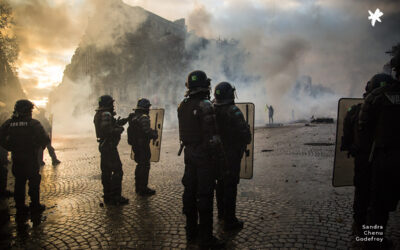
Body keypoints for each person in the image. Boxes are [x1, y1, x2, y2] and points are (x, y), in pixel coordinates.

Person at [341, 73, 394, 237]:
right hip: (386, 161)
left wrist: (353, 147)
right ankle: (373, 235)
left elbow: (347, 139)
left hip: (365, 161)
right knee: (379, 203)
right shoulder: (390, 109)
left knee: (362, 195)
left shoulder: (356, 111)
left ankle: (361, 228)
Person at [358, 44, 400, 248]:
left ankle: (374, 241)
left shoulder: (376, 97)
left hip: (384, 158)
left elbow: (364, 129)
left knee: (378, 205)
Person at [177, 70, 224, 248]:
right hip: (204, 156)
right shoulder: (206, 105)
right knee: (204, 195)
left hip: (189, 154)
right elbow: (213, 138)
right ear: (205, 85)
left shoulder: (182, 105)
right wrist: (221, 161)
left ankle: (191, 232)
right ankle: (206, 238)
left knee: (189, 192)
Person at [0, 100, 49, 218]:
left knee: (19, 182)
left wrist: (10, 147)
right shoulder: (33, 123)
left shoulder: (8, 123)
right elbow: (45, 139)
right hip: (31, 157)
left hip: (17, 157)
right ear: (27, 111)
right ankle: (35, 205)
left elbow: (1, 138)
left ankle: (20, 207)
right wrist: (38, 147)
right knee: (34, 181)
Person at [213, 82, 251, 231]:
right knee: (230, 186)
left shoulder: (212, 109)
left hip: (217, 154)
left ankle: (221, 214)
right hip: (232, 155)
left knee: (220, 184)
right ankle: (230, 220)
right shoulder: (234, 111)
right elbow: (246, 137)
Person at [94, 95, 129, 206]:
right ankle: (116, 196)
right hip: (109, 146)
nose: (113, 106)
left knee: (106, 172)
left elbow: (108, 126)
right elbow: (108, 130)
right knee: (117, 170)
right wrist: (120, 129)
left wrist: (123, 121)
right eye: (111, 103)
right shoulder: (106, 114)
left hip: (104, 146)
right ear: (107, 103)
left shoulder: (99, 114)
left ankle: (108, 195)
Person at [127, 98, 158, 196]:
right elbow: (146, 131)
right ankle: (143, 188)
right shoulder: (143, 117)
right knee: (144, 166)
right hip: (143, 146)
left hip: (136, 145)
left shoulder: (134, 117)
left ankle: (138, 187)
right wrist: (154, 134)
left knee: (139, 165)